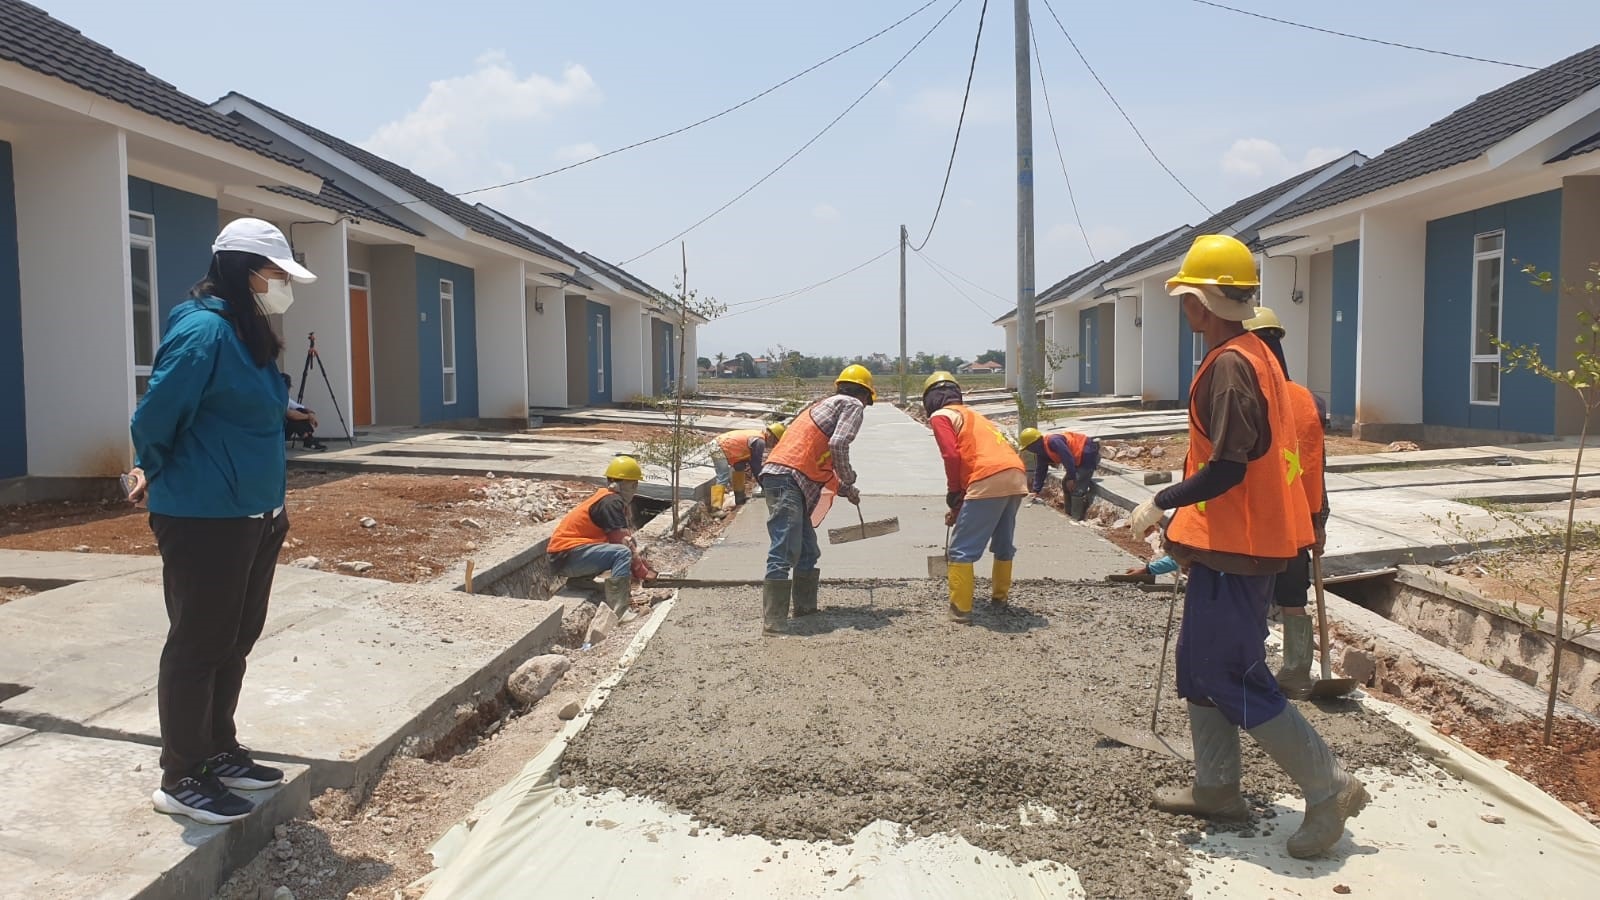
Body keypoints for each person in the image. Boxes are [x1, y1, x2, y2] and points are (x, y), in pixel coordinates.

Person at [1127, 234, 1367, 859]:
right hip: (1226, 545)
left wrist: (1162, 502)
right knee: (1196, 667)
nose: (1184, 311)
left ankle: (1328, 784)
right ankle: (1217, 788)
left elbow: (1230, 466)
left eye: (1186, 299)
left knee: (1228, 671)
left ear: (1202, 302)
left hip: (1241, 546)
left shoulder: (1232, 365)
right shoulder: (1255, 354)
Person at [126, 217, 316, 825]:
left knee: (235, 637)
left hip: (255, 510)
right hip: (205, 513)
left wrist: (283, 411)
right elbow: (158, 413)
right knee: (198, 643)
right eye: (276, 272)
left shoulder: (245, 329)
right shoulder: (203, 329)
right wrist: (148, 467)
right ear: (243, 271)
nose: (282, 283)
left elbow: (237, 402)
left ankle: (217, 749)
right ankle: (182, 775)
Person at [1243, 306, 1330, 698]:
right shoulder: (1308, 399)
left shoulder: (1250, 395)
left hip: (1257, 519)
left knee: (1252, 594)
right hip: (1298, 519)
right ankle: (1297, 673)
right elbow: (1315, 466)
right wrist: (1319, 520)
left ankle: (1250, 667)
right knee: (1294, 597)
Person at [758, 364, 872, 635]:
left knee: (808, 551)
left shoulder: (823, 406)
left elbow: (820, 462)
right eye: (868, 402)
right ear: (865, 395)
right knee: (785, 548)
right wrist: (850, 476)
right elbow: (839, 444)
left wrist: (845, 488)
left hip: (786, 478)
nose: (865, 407)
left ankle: (805, 609)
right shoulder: (852, 404)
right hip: (788, 480)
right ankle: (773, 623)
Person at [924, 371, 1029, 624]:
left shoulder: (942, 416)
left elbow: (951, 456)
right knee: (1004, 542)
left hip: (985, 476)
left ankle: (960, 610)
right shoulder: (975, 416)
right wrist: (959, 506)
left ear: (930, 398)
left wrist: (953, 491)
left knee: (960, 550)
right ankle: (1000, 599)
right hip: (1014, 474)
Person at [548, 456, 658, 616]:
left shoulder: (607, 498)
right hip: (566, 556)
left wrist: (643, 565)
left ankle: (580, 581)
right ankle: (620, 611)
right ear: (625, 484)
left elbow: (624, 538)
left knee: (621, 549)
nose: (635, 489)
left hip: (565, 556)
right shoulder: (611, 502)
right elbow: (622, 543)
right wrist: (641, 571)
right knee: (622, 552)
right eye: (634, 484)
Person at [708, 422, 785, 511]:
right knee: (723, 476)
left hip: (722, 446)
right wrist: (765, 487)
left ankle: (739, 498)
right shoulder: (759, 441)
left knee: (740, 467)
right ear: (772, 436)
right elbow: (756, 466)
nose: (773, 445)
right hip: (717, 447)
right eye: (775, 442)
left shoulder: (758, 438)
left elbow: (751, 460)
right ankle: (715, 508)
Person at [1018, 427, 1100, 501]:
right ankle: (1069, 513)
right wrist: (1036, 490)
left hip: (1088, 453)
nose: (1029, 451)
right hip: (1077, 458)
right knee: (1066, 483)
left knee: (1077, 487)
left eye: (1028, 448)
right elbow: (1040, 470)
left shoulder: (1053, 441)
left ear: (1034, 444)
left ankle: (1076, 516)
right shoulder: (1041, 452)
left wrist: (1072, 478)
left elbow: (1067, 457)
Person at [281, 373, 327, 451]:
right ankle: (308, 440)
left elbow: (301, 408)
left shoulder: (286, 398)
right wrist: (308, 416)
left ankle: (308, 438)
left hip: (281, 430)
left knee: (301, 411)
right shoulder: (276, 399)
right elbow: (289, 414)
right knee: (293, 418)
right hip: (276, 433)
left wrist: (311, 414)